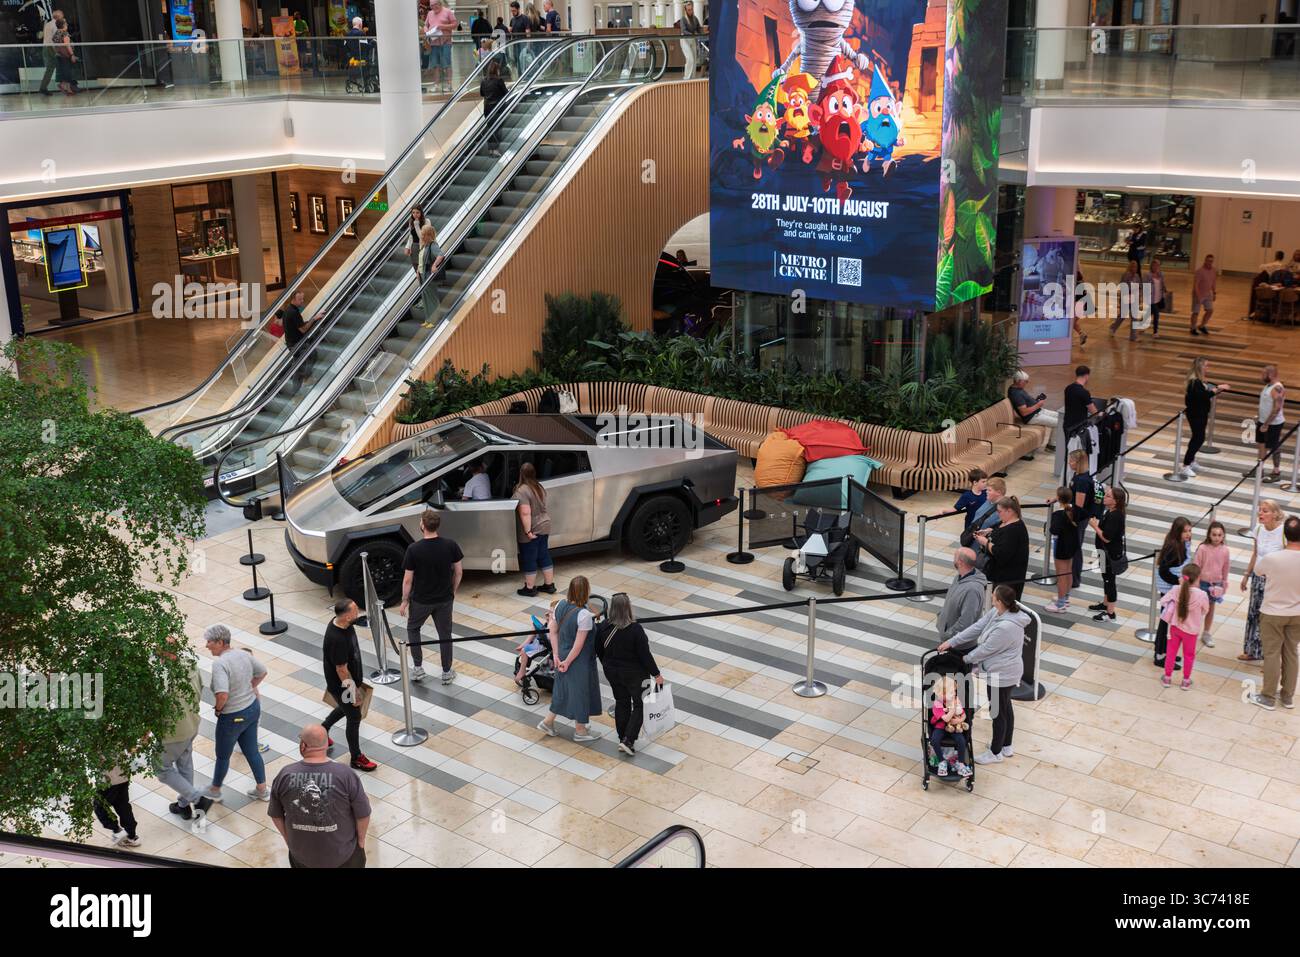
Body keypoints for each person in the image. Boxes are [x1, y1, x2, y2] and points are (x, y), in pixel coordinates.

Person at [938, 584, 1028, 765]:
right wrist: (952, 642)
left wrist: (964, 659)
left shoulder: (1006, 627)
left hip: (1002, 674)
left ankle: (995, 753)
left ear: (999, 601)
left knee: (998, 713)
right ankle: (1006, 745)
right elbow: (978, 626)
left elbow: (986, 650)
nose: (991, 597)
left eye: (993, 596)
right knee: (1005, 707)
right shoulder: (999, 612)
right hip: (1003, 670)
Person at [269, 725, 371, 868]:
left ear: (303, 746)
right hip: (344, 856)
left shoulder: (285, 775)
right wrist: (361, 841)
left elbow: (275, 814)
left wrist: (288, 840)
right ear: (325, 745)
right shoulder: (345, 774)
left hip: (302, 857)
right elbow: (363, 813)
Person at [201, 624, 269, 802]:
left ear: (221, 642)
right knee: (252, 751)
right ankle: (262, 790)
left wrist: (218, 709)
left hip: (232, 716)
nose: (207, 645)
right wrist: (250, 688)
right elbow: (262, 671)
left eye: (210, 642)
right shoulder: (243, 654)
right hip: (252, 708)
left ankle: (215, 790)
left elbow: (222, 694)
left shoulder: (220, 664)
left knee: (223, 755)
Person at [536, 576, 604, 742]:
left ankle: (548, 722)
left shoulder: (559, 605)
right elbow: (579, 645)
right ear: (586, 591)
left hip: (562, 653)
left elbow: (552, 632)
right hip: (579, 660)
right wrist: (567, 661)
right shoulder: (584, 615)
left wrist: (557, 655)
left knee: (562, 690)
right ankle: (580, 731)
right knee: (581, 692)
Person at [400, 508, 463, 684]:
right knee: (445, 634)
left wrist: (404, 601)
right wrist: (453, 591)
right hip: (444, 599)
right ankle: (446, 672)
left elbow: (407, 580)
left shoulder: (413, 549)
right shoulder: (451, 545)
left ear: (422, 525)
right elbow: (458, 572)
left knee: (413, 629)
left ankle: (418, 669)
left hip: (420, 600)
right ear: (437, 525)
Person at [595, 592, 662, 755]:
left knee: (621, 701)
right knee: (639, 705)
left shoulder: (603, 626)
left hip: (612, 672)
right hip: (635, 674)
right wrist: (657, 674)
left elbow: (598, 649)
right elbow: (645, 655)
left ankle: (622, 736)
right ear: (628, 608)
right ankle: (629, 740)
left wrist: (608, 664)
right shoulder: (635, 630)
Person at [157, 638, 215, 824]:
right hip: (192, 723)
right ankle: (183, 805)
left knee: (162, 768)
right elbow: (200, 688)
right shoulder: (190, 664)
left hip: (173, 732)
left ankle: (198, 798)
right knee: (185, 764)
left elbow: (155, 706)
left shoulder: (163, 676)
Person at [321, 598, 379, 771]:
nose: (358, 613)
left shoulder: (343, 624)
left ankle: (323, 730)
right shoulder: (337, 638)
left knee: (344, 708)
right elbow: (341, 670)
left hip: (349, 680)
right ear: (346, 617)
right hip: (342, 685)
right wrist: (354, 692)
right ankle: (356, 757)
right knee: (354, 716)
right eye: (355, 611)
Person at [1250, 515, 1300, 711]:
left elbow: (1258, 571)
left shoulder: (1273, 558)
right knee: (1291, 653)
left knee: (1271, 654)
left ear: (1285, 536)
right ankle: (1287, 697)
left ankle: (1268, 696)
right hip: (1297, 613)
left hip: (1272, 612)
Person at [1241, 498, 1285, 663]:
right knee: (1253, 614)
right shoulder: (1258, 529)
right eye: (1260, 509)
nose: (1260, 513)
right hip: (1257, 578)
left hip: (1274, 582)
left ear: (1275, 514)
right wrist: (1247, 574)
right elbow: (1255, 553)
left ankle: (1269, 657)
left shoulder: (1283, 533)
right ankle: (1251, 650)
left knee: (1269, 619)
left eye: (1265, 511)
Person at [1159, 562, 1208, 690]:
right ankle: (1185, 681)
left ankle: (1167, 678)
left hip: (1175, 627)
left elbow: (1163, 601)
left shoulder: (1176, 589)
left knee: (1171, 653)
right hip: (1192, 630)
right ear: (1198, 578)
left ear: (1183, 576)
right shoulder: (1202, 595)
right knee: (1189, 655)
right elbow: (1205, 610)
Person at [1180, 357, 1228, 480]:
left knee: (1198, 438)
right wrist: (1218, 389)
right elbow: (1202, 395)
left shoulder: (1199, 381)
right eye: (1206, 366)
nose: (1207, 368)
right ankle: (1185, 465)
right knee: (1198, 438)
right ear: (1200, 367)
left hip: (1200, 413)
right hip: (1196, 414)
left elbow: (1205, 393)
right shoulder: (1194, 381)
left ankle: (1191, 460)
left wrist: (1215, 390)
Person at [1153, 517, 1191, 671]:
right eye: (1185, 531)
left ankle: (1166, 650)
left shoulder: (1182, 545)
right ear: (1178, 532)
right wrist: (1178, 580)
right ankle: (1160, 654)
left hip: (1173, 589)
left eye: (1190, 531)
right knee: (1165, 621)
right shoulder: (1173, 547)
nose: (1188, 534)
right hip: (1168, 590)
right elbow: (1163, 570)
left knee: (1169, 621)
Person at [973, 497, 1029, 600]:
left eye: (999, 511)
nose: (998, 514)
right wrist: (988, 531)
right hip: (996, 572)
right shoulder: (1005, 522)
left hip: (1008, 577)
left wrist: (985, 542)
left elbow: (1001, 553)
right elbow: (998, 529)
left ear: (1010, 511)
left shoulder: (1014, 530)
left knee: (1003, 604)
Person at [514, 461, 555, 597]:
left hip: (533, 528)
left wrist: (528, 532)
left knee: (529, 558)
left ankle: (530, 588)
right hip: (545, 524)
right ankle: (549, 585)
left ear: (521, 474)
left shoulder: (522, 490)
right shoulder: (539, 487)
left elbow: (525, 512)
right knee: (543, 555)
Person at [1088, 486, 1127, 622]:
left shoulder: (1115, 515)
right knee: (1106, 579)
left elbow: (1106, 537)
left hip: (1110, 554)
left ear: (1116, 501)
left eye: (1108, 496)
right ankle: (1105, 604)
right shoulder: (1111, 511)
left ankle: (1110, 613)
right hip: (1104, 552)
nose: (1104, 497)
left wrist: (1094, 526)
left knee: (1110, 582)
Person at [1192, 521, 1230, 649]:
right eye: (1214, 534)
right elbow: (1196, 566)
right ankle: (1192, 631)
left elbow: (1226, 567)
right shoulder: (1202, 548)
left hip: (1216, 584)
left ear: (1223, 536)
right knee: (1197, 608)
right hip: (1202, 583)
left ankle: (1206, 633)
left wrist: (1224, 582)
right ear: (1209, 535)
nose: (1217, 538)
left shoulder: (1225, 550)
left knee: (1211, 608)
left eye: (1220, 535)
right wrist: (1195, 584)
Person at [937, 548, 987, 642]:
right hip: (949, 639)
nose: (953, 560)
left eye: (955, 557)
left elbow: (966, 621)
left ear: (960, 562)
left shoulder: (972, 590)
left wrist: (948, 636)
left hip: (958, 645)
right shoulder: (959, 577)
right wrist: (941, 618)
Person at [927, 676, 972, 778]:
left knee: (962, 740)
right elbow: (946, 719)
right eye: (951, 692)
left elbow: (963, 713)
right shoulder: (937, 704)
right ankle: (941, 761)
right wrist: (953, 708)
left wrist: (960, 720)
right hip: (941, 726)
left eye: (954, 691)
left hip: (955, 726)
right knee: (934, 740)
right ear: (941, 694)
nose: (954, 694)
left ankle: (960, 763)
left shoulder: (955, 699)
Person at [1067, 448, 1098, 590]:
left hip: (1079, 519)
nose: (1069, 463)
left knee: (1075, 548)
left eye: (1072, 460)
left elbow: (1078, 505)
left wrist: (1071, 519)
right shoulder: (1080, 475)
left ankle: (1074, 579)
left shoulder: (1082, 481)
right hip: (1080, 517)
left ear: (1078, 462)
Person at [1046, 486, 1080, 614]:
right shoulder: (1074, 510)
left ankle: (1060, 604)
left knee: (1061, 575)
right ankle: (1065, 598)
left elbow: (1054, 530)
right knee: (1068, 571)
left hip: (1061, 545)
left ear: (1058, 498)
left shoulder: (1059, 514)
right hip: (1072, 544)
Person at [1252, 364, 1286, 484]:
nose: (1261, 376)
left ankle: (1276, 472)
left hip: (1273, 423)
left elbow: (1276, 409)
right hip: (1263, 421)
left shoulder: (1277, 388)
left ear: (1270, 374)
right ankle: (1259, 468)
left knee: (1273, 446)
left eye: (1263, 374)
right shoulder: (1268, 386)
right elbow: (1264, 404)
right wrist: (1260, 417)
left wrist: (1267, 424)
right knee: (1261, 444)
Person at [94, 764, 140, 847]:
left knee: (99, 806)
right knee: (122, 805)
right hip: (122, 776)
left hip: (108, 780)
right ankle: (131, 837)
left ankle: (117, 831)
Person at [416, 222, 446, 329]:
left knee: (432, 298)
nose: (422, 236)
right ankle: (428, 319)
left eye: (424, 234)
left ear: (429, 235)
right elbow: (420, 261)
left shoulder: (433, 245)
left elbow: (441, 255)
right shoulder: (424, 246)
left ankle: (434, 320)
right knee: (425, 298)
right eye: (422, 234)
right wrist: (417, 271)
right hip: (421, 275)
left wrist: (434, 265)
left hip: (428, 275)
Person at [425, 0, 458, 92]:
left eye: (435, 5)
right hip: (433, 42)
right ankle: (436, 85)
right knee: (435, 64)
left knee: (447, 64)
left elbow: (455, 24)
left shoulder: (448, 12)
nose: (433, 7)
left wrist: (443, 26)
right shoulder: (430, 13)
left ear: (440, 4)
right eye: (431, 6)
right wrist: (426, 30)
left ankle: (449, 85)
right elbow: (425, 25)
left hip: (445, 42)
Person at [1062, 365, 1098, 443]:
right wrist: (1101, 413)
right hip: (1078, 427)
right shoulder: (1084, 392)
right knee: (1078, 452)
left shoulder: (1068, 388)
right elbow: (1094, 412)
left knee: (1068, 449)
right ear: (1086, 375)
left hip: (1067, 424)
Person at [480, 58, 508, 154]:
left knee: (490, 128)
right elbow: (506, 93)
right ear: (497, 70)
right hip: (498, 108)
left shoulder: (484, 81)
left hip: (487, 108)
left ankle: (490, 149)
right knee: (497, 128)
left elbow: (482, 94)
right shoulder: (499, 81)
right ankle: (495, 149)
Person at [1109, 260, 1141, 341]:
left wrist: (1139, 297)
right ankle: (1113, 328)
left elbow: (1139, 287)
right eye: (1133, 267)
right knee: (1122, 316)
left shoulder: (1137, 276)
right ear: (1130, 267)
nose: (1135, 268)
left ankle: (1133, 336)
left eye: (1136, 267)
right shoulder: (1126, 275)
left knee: (1134, 318)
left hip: (1134, 299)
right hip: (1126, 298)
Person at [1190, 253, 1217, 335]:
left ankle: (1202, 326)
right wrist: (1198, 296)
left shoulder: (1213, 270)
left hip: (1207, 294)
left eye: (1211, 261)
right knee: (1196, 312)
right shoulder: (1199, 271)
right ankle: (1193, 328)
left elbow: (1213, 282)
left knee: (1210, 310)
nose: (1210, 263)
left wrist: (1214, 292)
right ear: (1205, 261)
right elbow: (1196, 285)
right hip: (1198, 294)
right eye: (1208, 261)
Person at [37, 8, 61, 95]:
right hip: (51, 48)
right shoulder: (54, 25)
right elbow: (55, 39)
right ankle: (44, 87)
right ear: (58, 16)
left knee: (50, 68)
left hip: (46, 47)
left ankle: (43, 87)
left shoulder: (48, 24)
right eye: (62, 15)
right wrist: (57, 51)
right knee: (52, 67)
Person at [52, 13, 76, 96]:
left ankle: (64, 86)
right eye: (66, 23)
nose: (67, 24)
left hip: (59, 55)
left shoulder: (56, 33)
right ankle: (67, 88)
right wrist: (72, 54)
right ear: (63, 25)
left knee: (64, 71)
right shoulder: (64, 33)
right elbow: (67, 44)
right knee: (67, 71)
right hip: (65, 55)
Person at [680, 0, 703, 79]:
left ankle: (692, 77)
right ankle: (687, 78)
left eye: (691, 9)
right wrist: (693, 34)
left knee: (694, 59)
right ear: (685, 10)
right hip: (685, 39)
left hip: (692, 39)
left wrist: (701, 32)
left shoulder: (695, 18)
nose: (690, 11)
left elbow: (698, 28)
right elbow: (684, 30)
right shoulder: (683, 19)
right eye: (689, 10)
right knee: (690, 59)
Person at [403, 205, 428, 274]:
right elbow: (411, 236)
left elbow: (422, 237)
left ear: (421, 213)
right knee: (416, 269)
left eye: (417, 212)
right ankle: (421, 284)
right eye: (413, 212)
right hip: (414, 247)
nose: (415, 215)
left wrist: (416, 225)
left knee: (423, 269)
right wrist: (407, 247)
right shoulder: (411, 222)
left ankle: (425, 283)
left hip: (423, 247)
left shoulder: (426, 221)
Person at [1147, 257, 1165, 337]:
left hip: (1158, 298)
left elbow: (1162, 284)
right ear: (1151, 266)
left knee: (1150, 313)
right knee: (1156, 314)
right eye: (1155, 265)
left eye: (1158, 265)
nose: (1156, 267)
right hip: (1151, 298)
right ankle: (1155, 332)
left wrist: (1165, 291)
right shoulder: (1148, 275)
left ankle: (1141, 324)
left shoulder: (1161, 274)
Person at [1072, 269, 1090, 346]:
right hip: (1083, 307)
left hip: (1079, 306)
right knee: (1072, 323)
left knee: (1071, 322)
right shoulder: (1081, 284)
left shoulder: (1075, 285)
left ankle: (1072, 339)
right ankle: (1082, 334)